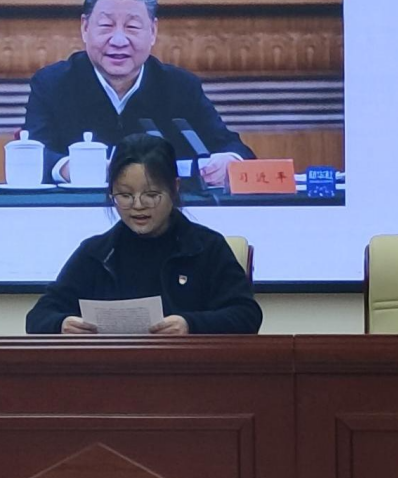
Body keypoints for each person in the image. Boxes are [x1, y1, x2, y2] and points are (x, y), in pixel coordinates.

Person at [23, 0, 253, 185]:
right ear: (85, 28)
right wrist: (69, 168)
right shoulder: (53, 84)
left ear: (152, 31)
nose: (119, 40)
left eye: (132, 27)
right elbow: (32, 154)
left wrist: (228, 161)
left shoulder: (179, 86)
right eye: (106, 26)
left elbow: (233, 147)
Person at [25, 134, 262, 335]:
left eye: (151, 195)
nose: (138, 206)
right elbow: (38, 316)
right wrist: (62, 324)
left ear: (174, 188)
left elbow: (247, 314)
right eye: (125, 195)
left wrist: (191, 324)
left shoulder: (206, 247)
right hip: (112, 371)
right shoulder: (97, 253)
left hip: (186, 370)